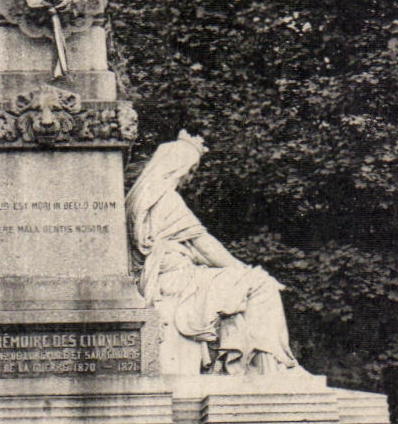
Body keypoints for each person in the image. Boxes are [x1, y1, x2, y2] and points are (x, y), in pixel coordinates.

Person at [125, 131, 299, 376]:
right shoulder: (166, 199)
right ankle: (270, 368)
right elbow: (204, 244)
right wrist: (243, 270)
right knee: (260, 285)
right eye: (191, 170)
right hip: (178, 281)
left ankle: (242, 366)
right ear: (177, 166)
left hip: (171, 278)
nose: (190, 177)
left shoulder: (139, 198)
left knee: (236, 293)